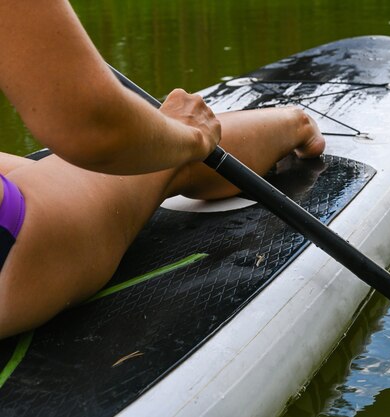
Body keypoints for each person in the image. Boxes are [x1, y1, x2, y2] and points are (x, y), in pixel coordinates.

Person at [0, 0, 325, 338]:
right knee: (167, 156)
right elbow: (96, 129)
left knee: (134, 162)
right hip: (13, 247)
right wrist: (188, 135)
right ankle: (295, 123)